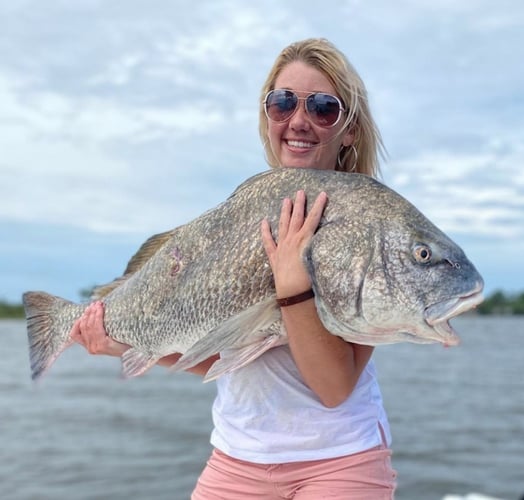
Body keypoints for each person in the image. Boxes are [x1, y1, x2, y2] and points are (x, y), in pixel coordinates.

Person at [70, 38, 397, 499]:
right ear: (267, 117)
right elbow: (219, 355)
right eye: (282, 103)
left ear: (349, 130)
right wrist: (125, 344)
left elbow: (334, 387)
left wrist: (292, 286)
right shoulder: (247, 212)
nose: (298, 120)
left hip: (341, 461)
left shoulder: (362, 219)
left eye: (323, 107)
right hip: (235, 459)